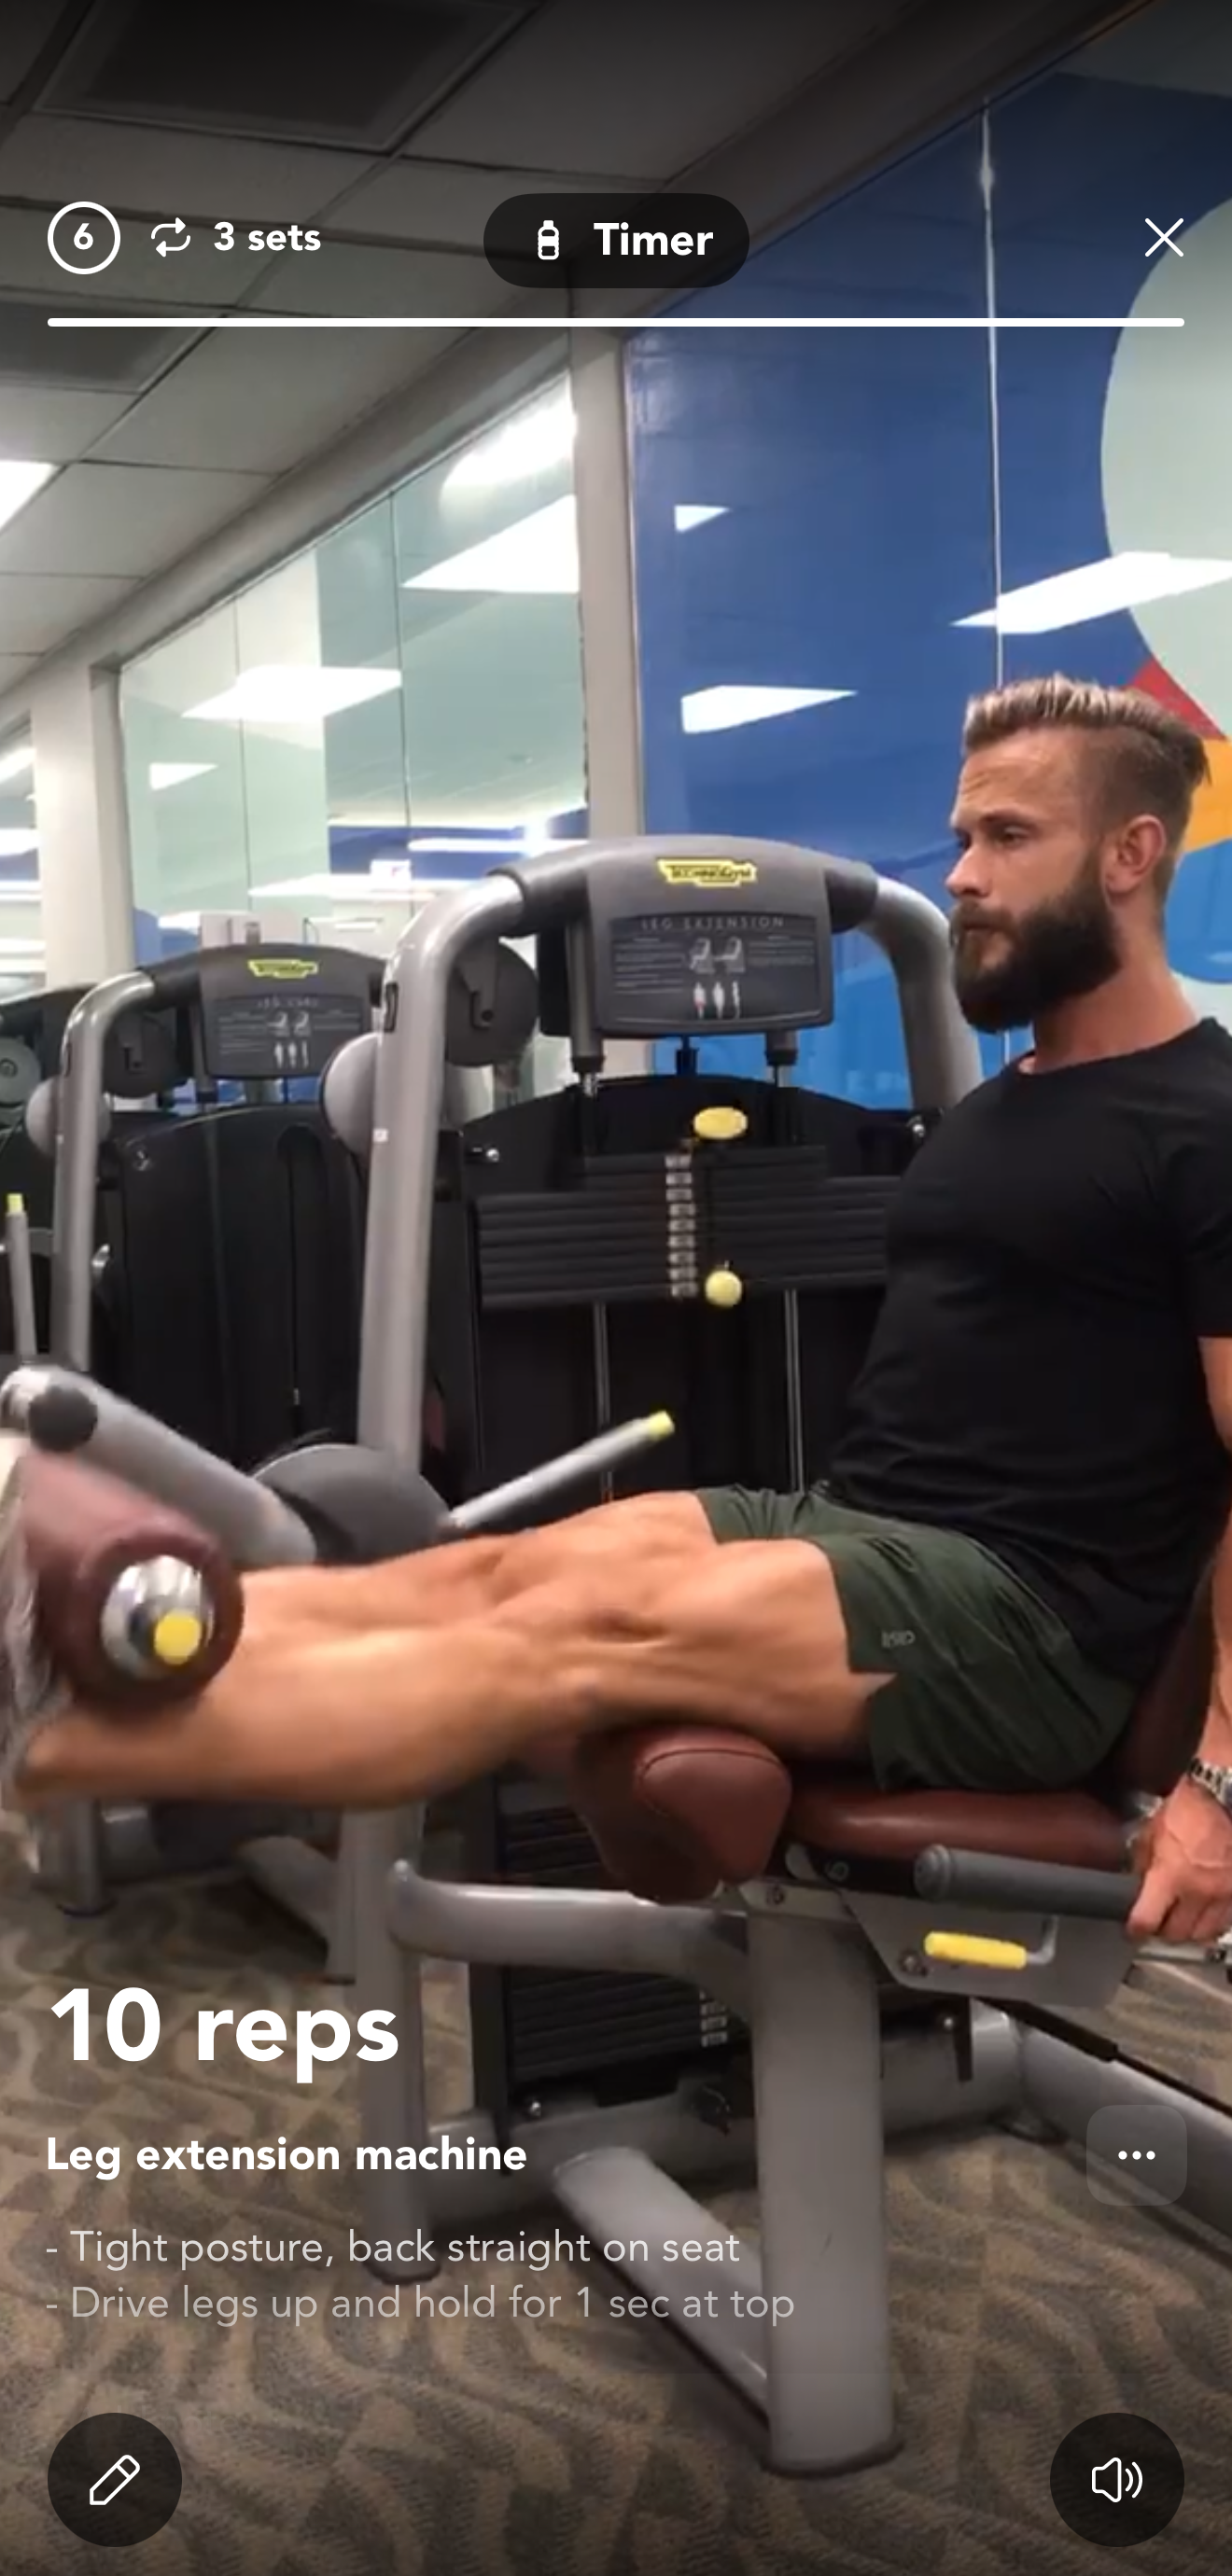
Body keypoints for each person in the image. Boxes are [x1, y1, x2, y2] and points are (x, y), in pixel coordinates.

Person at [16, 674, 1232, 1947]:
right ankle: (72, 1650)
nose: (966, 874)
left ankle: (63, 1739)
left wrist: (1213, 1785)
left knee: (568, 1631)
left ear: (1131, 856)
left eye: (1009, 836)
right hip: (864, 1526)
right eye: (966, 834)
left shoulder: (1205, 1124)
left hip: (1025, 1622)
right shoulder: (1012, 1102)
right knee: (485, 1570)